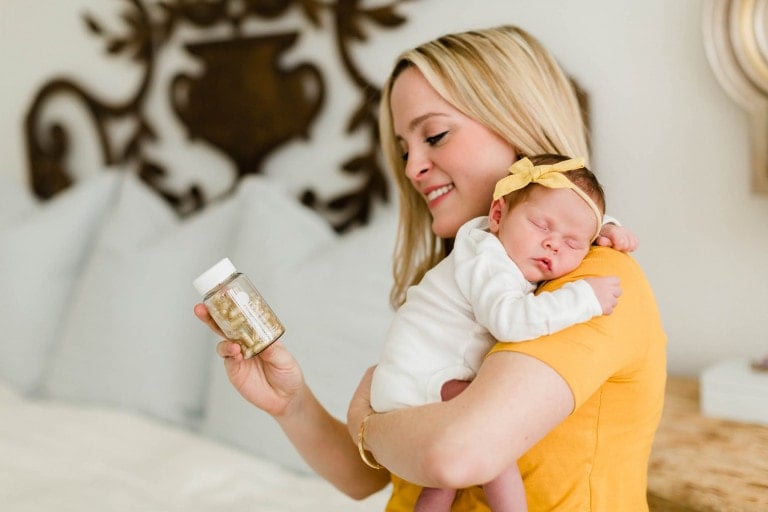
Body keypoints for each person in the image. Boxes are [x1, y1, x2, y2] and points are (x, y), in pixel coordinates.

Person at [195, 24, 665, 511]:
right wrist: (291, 403)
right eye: (403, 150)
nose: (411, 167)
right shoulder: (463, 285)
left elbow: (456, 454)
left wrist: (367, 421)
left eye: (435, 136)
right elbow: (369, 476)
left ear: (520, 125)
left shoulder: (592, 285)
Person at [370, 154, 621, 512]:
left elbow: (568, 216)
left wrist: (608, 228)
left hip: (412, 379)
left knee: (443, 485)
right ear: (498, 216)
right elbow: (511, 321)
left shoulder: (502, 243)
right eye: (541, 225)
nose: (553, 243)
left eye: (573, 243)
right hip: (422, 378)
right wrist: (583, 298)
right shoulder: (489, 262)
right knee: (495, 441)